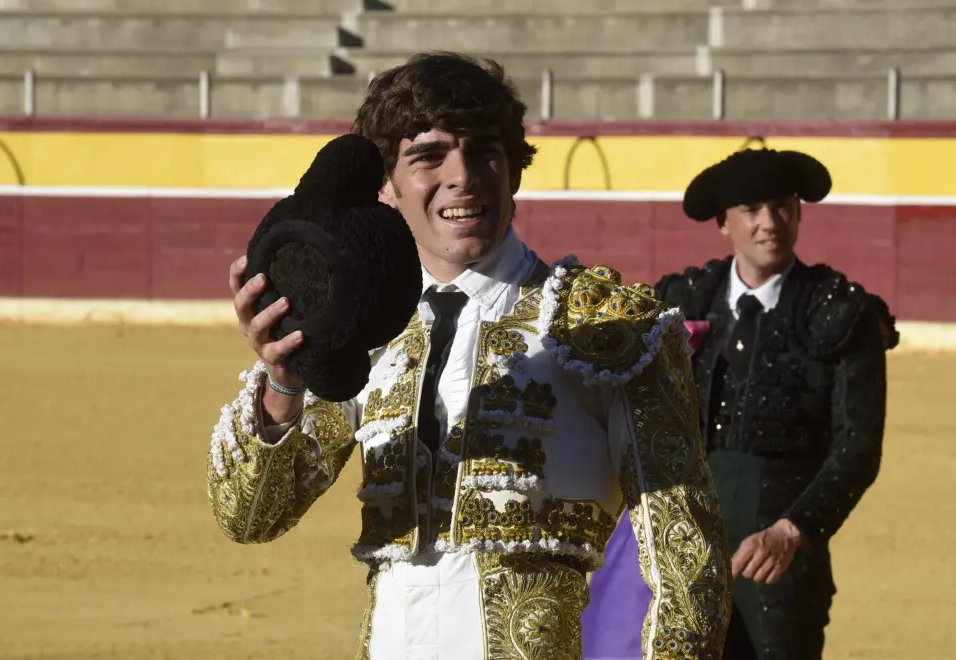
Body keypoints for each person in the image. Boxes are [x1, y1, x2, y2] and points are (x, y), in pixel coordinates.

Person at [206, 51, 731, 659]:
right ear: (387, 186)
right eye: (429, 156)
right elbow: (249, 516)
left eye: (484, 151)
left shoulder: (608, 329)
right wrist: (284, 383)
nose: (464, 175)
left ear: (514, 171)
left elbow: (687, 566)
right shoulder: (364, 332)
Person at [586, 147, 899, 660]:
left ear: (798, 212)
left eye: (782, 206)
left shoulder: (841, 312)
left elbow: (857, 447)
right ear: (723, 223)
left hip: (776, 559)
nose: (769, 223)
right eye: (752, 210)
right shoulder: (680, 300)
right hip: (677, 549)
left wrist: (793, 531)